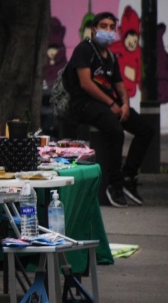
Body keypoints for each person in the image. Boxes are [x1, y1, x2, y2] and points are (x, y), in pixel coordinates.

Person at [65, 12, 154, 207]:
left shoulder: (111, 57)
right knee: (115, 131)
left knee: (146, 129)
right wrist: (112, 104)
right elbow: (86, 83)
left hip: (108, 104)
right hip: (84, 105)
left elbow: (120, 84)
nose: (108, 30)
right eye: (103, 26)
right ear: (94, 29)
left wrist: (125, 105)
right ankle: (114, 184)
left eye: (112, 27)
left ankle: (128, 176)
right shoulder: (84, 49)